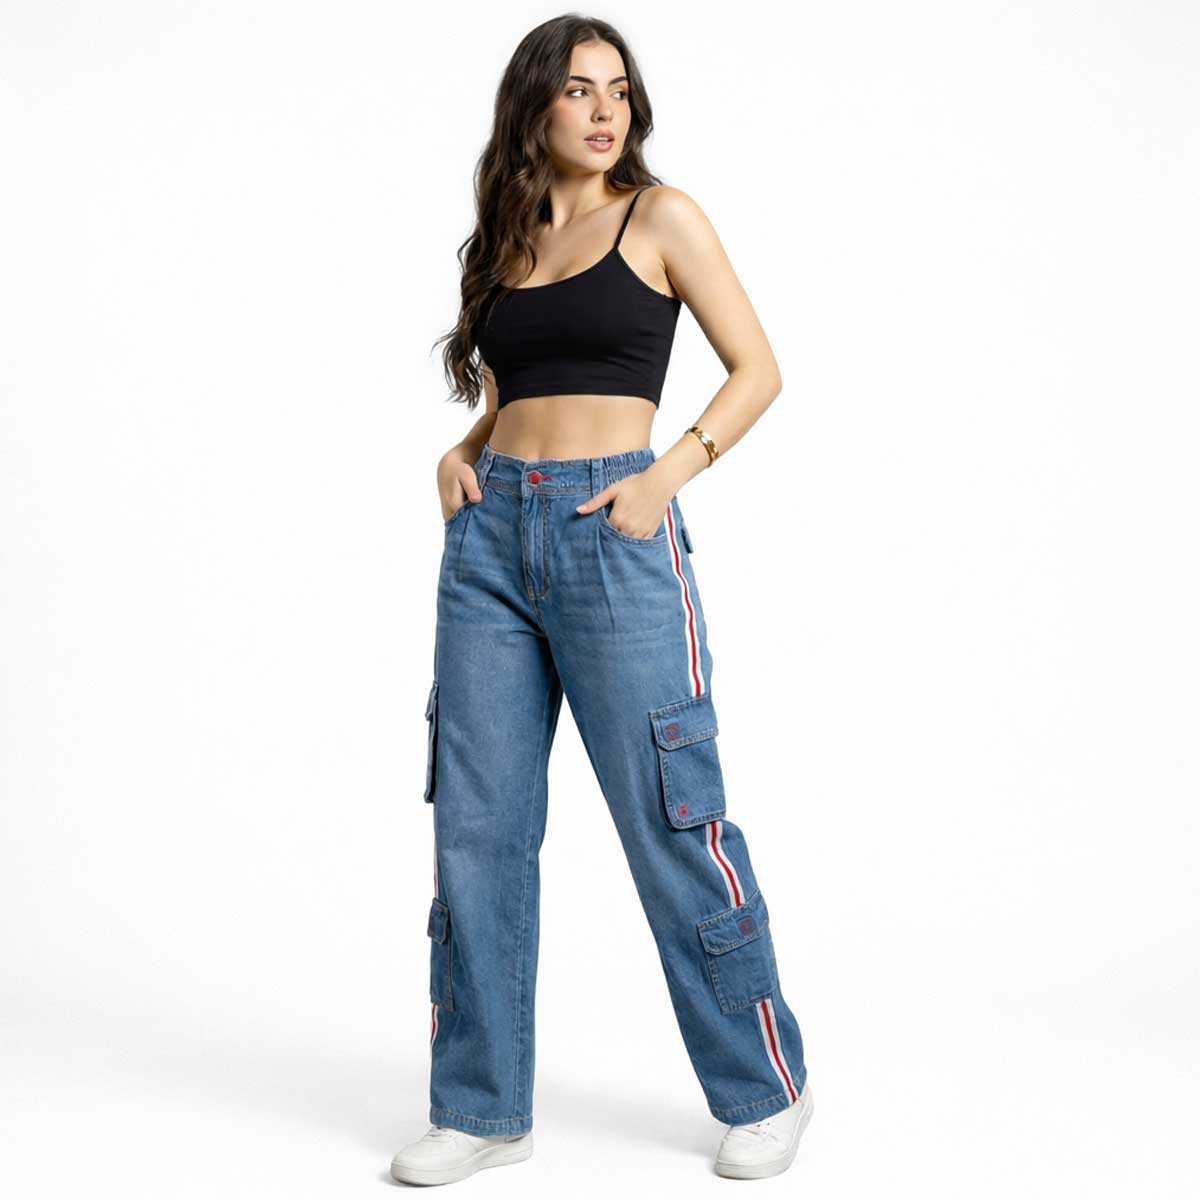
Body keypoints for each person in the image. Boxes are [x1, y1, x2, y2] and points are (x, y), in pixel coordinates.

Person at [390, 15, 813, 1186]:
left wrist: (663, 479)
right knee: (476, 831)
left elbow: (759, 370)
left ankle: (765, 1085)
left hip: (613, 534)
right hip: (490, 541)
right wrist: (462, 452)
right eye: (578, 90)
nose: (603, 109)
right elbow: (519, 391)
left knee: (673, 816)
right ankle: (482, 1109)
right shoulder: (511, 235)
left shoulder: (661, 217)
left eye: (617, 89)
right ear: (535, 104)